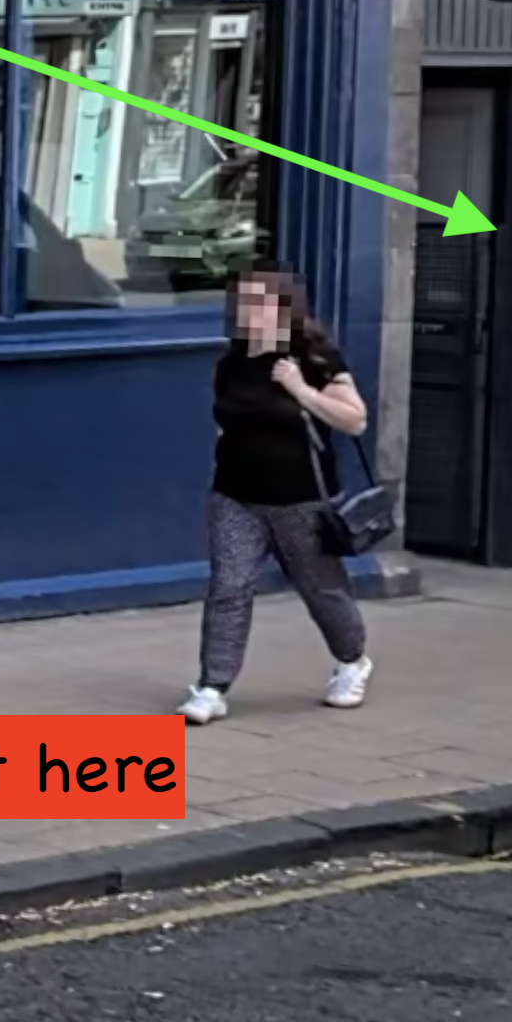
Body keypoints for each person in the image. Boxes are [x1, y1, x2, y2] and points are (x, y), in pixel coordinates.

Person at [181, 265, 372, 725]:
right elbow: (225, 422)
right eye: (244, 303)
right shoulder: (232, 361)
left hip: (300, 498)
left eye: (260, 303)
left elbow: (354, 420)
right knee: (228, 588)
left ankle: (352, 661)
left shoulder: (314, 358)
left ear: (285, 307)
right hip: (235, 495)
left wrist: (300, 389)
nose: (250, 312)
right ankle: (212, 686)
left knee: (322, 590)